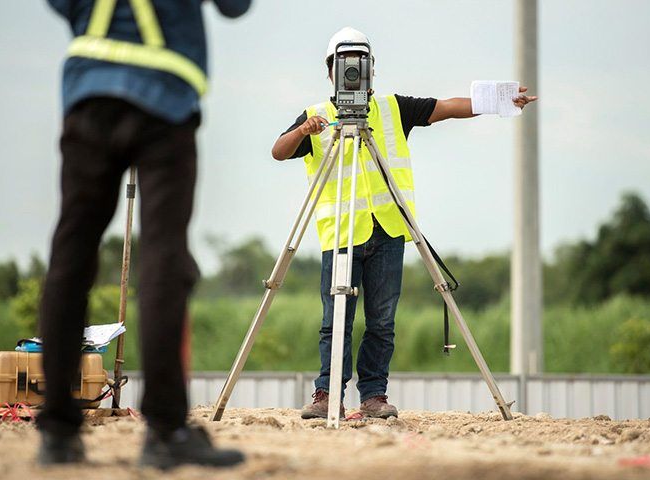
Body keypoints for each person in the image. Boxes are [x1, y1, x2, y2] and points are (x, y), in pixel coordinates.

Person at [271, 27, 537, 420]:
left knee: (382, 320)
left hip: (390, 231)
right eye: (345, 66)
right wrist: (302, 131)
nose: (352, 74)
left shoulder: (393, 109)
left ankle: (373, 396)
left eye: (359, 66)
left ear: (371, 69)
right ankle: (327, 395)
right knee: (335, 321)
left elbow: (446, 107)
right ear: (331, 71)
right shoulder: (317, 118)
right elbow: (279, 151)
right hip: (341, 235)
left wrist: (499, 101)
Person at [38, 0, 251, 469]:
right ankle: (165, 431)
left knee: (71, 258)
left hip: (87, 89)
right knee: (162, 260)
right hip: (166, 100)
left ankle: (56, 433)